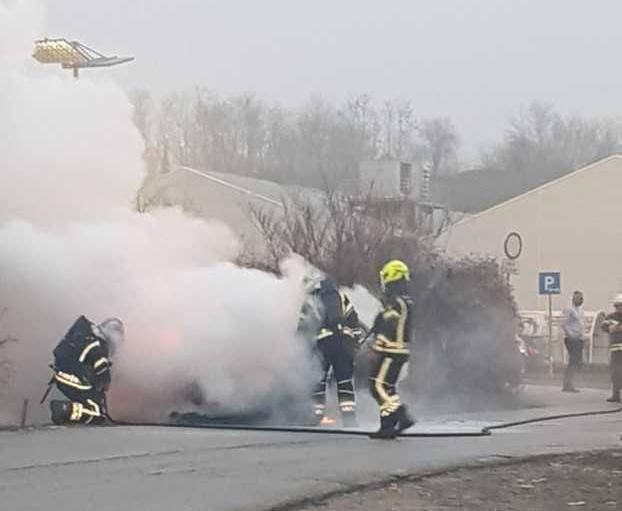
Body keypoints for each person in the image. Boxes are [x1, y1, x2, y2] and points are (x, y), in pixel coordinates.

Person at [299, 273, 365, 427]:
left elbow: (302, 328)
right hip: (344, 345)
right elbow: (354, 321)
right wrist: (354, 341)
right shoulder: (342, 298)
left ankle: (316, 416)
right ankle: (349, 419)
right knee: (345, 381)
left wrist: (300, 348)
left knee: (318, 380)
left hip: (324, 345)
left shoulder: (310, 301)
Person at [368, 260, 415, 439]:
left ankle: (401, 415)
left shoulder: (396, 302)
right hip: (399, 351)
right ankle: (387, 426)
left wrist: (377, 344)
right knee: (388, 388)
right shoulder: (404, 301)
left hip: (391, 350)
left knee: (376, 385)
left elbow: (389, 326)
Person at [48, 315, 124, 425]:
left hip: (63, 377)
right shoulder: (98, 345)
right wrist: (105, 383)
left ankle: (68, 412)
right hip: (74, 381)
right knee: (95, 412)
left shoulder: (87, 337)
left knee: (93, 401)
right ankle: (64, 409)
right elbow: (102, 370)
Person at [561, 290, 585, 393]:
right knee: (573, 361)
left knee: (576, 361)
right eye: (579, 298)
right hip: (571, 338)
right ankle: (567, 384)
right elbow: (564, 323)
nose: (581, 300)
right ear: (574, 299)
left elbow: (580, 324)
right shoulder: (569, 310)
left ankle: (571, 383)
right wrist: (570, 334)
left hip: (579, 338)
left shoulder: (580, 310)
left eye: (582, 298)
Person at [601, 294, 622, 403]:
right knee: (615, 372)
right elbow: (604, 326)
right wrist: (613, 328)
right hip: (616, 349)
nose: (619, 308)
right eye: (617, 306)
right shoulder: (611, 317)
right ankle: (616, 394)